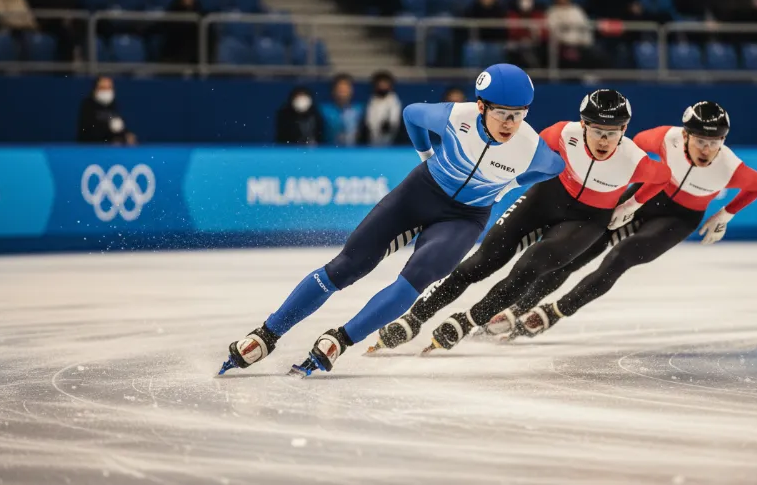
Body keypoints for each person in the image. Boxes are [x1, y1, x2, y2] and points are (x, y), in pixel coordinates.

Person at [219, 64, 565, 377]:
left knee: (414, 281)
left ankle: (340, 339)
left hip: (464, 219)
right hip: (419, 193)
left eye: (518, 115)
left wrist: (509, 184)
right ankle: (268, 333)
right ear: (481, 106)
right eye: (503, 114)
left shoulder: (530, 147)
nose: (510, 124)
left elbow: (555, 167)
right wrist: (425, 155)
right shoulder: (453, 116)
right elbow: (412, 114)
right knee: (346, 267)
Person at [369, 89, 672, 353]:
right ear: (583, 125)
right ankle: (417, 316)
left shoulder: (634, 160)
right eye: (596, 131)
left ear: (625, 129)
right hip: (547, 198)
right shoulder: (560, 135)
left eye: (613, 132)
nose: (604, 140)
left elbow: (663, 178)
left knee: (532, 265)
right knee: (482, 260)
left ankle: (469, 320)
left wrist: (632, 205)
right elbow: (522, 154)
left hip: (588, 218)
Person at [475, 102, 757, 341]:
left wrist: (726, 213)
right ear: (685, 136)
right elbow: (635, 146)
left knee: (620, 257)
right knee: (576, 255)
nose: (707, 149)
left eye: (714, 142)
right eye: (701, 140)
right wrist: (628, 198)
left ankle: (554, 312)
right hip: (643, 201)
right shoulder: (665, 138)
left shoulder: (730, 167)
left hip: (679, 219)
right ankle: (518, 308)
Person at [546, 0, 608, 69]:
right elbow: (552, 30)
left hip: (580, 43)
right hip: (563, 44)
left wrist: (584, 42)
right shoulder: (552, 12)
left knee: (598, 52)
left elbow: (585, 27)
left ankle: (591, 76)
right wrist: (566, 41)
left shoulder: (577, 10)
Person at [77, 76, 137, 145]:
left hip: (108, 151)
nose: (106, 91)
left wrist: (126, 135)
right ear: (95, 89)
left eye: (109, 88)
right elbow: (87, 132)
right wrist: (108, 127)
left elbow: (118, 128)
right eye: (103, 88)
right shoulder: (87, 105)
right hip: (90, 149)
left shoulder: (113, 105)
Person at [318, 74, 365, 146]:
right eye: (340, 89)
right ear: (333, 91)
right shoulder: (323, 110)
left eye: (345, 89)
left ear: (351, 90)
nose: (343, 92)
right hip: (328, 150)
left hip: (354, 152)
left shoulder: (360, 109)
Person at [506, 0, 548, 69]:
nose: (525, 2)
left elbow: (544, 33)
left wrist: (535, 34)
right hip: (517, 43)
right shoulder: (513, 14)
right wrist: (526, 31)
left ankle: (536, 70)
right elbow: (512, 32)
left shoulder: (538, 14)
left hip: (536, 43)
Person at [360, 71, 404, 146]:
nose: (382, 85)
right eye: (380, 83)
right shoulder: (372, 100)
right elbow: (368, 119)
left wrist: (388, 125)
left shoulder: (393, 100)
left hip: (389, 141)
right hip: (371, 141)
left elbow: (394, 120)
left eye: (385, 83)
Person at [161, 0, 200, 65]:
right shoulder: (173, 10)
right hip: (175, 51)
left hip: (194, 53)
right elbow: (162, 26)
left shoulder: (198, 10)